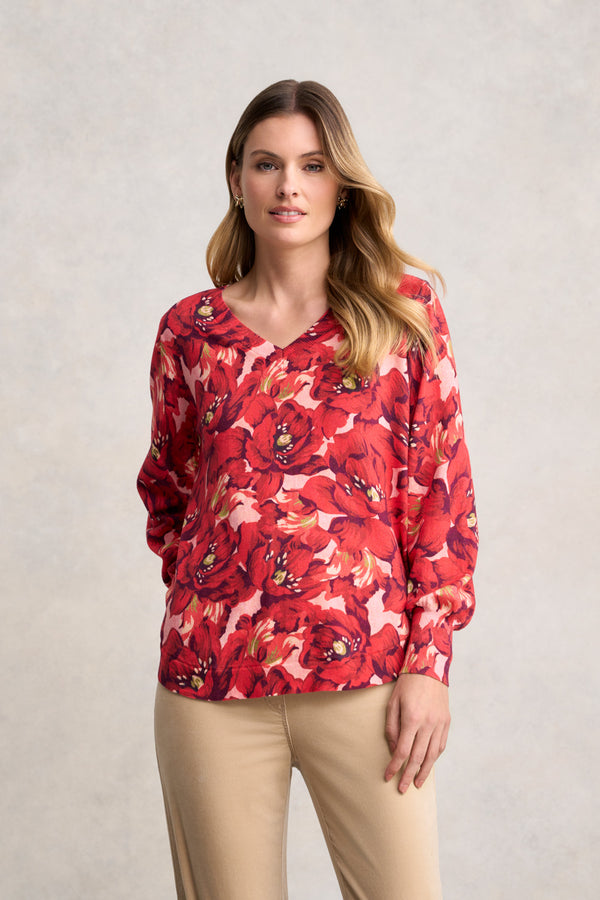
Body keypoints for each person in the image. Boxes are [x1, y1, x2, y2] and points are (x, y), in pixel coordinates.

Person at [137, 79, 478, 900]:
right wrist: (221, 590)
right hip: (211, 685)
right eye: (267, 164)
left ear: (341, 183)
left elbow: (442, 497)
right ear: (237, 180)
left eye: (312, 165)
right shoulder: (191, 331)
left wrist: (429, 665)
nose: (288, 185)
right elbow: (169, 488)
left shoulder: (403, 314)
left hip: (368, 676)